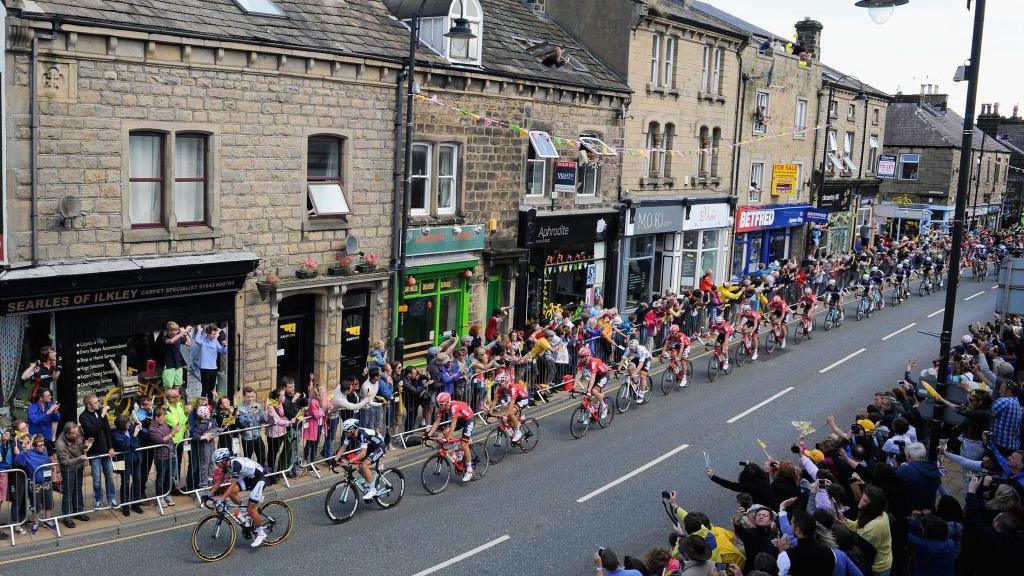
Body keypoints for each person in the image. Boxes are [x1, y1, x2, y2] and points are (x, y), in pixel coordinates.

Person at [210, 448, 268, 547]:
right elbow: (219, 481)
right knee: (231, 492)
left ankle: (261, 534)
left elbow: (233, 484)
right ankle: (243, 511)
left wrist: (222, 499)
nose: (216, 465)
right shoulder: (226, 466)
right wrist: (209, 494)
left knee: (251, 509)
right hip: (248, 478)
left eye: (217, 462)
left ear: (224, 460)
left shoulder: (236, 465)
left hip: (258, 478)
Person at [839, 485, 892, 576]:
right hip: (882, 559)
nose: (860, 501)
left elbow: (861, 547)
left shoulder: (874, 527)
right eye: (862, 498)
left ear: (872, 506)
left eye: (865, 501)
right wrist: (846, 521)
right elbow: (858, 525)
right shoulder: (878, 513)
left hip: (878, 568)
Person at [425, 392, 476, 482]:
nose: (439, 406)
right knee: (445, 431)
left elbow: (453, 422)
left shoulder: (454, 407)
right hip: (460, 419)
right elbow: (437, 422)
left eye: (441, 404)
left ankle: (469, 470)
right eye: (438, 404)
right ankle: (457, 451)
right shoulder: (442, 408)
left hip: (469, 419)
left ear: (447, 402)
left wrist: (450, 436)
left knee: (464, 445)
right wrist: (428, 435)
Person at [79, 393, 117, 509]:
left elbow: (107, 431)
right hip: (94, 452)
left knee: (109, 476)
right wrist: (102, 415)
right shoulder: (83, 417)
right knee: (96, 480)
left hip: (106, 450)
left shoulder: (100, 412)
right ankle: (98, 500)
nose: (98, 404)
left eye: (97, 402)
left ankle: (112, 498)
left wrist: (111, 447)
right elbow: (92, 431)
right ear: (89, 405)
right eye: (95, 403)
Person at [335, 418, 388, 499]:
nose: (345, 433)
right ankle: (372, 482)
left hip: (380, 446)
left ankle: (372, 490)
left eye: (346, 431)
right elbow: (343, 448)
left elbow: (362, 454)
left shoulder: (363, 434)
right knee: (360, 468)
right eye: (345, 431)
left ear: (353, 430)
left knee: (364, 465)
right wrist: (334, 460)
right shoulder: (350, 435)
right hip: (371, 446)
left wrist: (349, 461)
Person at [16, 434, 57, 533]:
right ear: (34, 446)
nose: (42, 447)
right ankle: (35, 522)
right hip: (35, 483)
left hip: (47, 481)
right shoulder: (28, 453)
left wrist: (53, 470)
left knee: (49, 503)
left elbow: (52, 460)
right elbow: (17, 461)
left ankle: (47, 521)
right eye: (40, 445)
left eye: (43, 444)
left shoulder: (45, 451)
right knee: (36, 505)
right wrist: (24, 451)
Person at [775, 512, 836, 576]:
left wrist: (781, 550)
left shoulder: (786, 556)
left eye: (791, 524)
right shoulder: (831, 552)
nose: (790, 526)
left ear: (797, 530)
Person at [54, 423, 89, 529]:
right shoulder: (60, 444)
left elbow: (81, 445)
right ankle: (67, 517)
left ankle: (78, 511)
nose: (77, 435)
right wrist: (79, 459)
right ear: (67, 434)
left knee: (78, 489)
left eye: (77, 432)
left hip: (78, 466)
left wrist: (86, 445)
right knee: (68, 493)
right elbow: (65, 462)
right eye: (74, 434)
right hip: (68, 469)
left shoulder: (77, 433)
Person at [111, 415, 144, 517]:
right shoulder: (116, 435)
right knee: (125, 483)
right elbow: (128, 447)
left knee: (137, 480)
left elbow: (139, 440)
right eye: (127, 423)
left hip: (135, 459)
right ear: (122, 425)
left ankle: (136, 504)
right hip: (123, 461)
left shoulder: (131, 428)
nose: (130, 424)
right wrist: (134, 435)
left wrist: (140, 426)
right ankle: (125, 506)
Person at [148, 408, 177, 507]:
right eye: (162, 417)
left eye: (164, 417)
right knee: (161, 477)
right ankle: (160, 497)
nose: (164, 419)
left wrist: (173, 431)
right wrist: (172, 433)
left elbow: (168, 436)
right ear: (156, 418)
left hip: (170, 453)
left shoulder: (164, 424)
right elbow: (162, 440)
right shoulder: (152, 429)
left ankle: (167, 494)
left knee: (169, 476)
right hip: (161, 456)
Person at [487, 375, 530, 442]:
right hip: (516, 398)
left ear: (506, 382)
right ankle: (517, 421)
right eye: (499, 385)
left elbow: (512, 403)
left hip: (523, 398)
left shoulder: (513, 388)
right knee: (504, 410)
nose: (500, 386)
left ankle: (518, 432)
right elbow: (495, 400)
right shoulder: (501, 388)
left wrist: (506, 415)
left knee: (510, 413)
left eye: (501, 385)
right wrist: (490, 412)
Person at [194, 324, 227, 403]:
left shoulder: (215, 341)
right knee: (205, 389)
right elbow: (196, 340)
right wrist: (199, 331)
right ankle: (201, 406)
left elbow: (222, 351)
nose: (214, 336)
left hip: (214, 369)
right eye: (213, 334)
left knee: (212, 390)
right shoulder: (203, 341)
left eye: (215, 334)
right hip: (205, 368)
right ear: (208, 334)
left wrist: (225, 346)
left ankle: (210, 405)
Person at [575, 346, 611, 419]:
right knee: (586, 397)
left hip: (604, 375)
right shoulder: (581, 362)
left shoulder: (593, 362)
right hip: (597, 375)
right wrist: (574, 386)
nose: (580, 358)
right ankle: (593, 412)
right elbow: (578, 374)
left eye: (582, 357)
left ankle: (604, 407)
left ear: (587, 356)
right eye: (579, 356)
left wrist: (589, 390)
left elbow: (593, 378)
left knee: (594, 391)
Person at [990, 381, 1022, 454]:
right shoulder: (1017, 404)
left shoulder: (1004, 401)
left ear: (1009, 392)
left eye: (1001, 389)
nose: (999, 392)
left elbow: (987, 415)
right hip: (1012, 447)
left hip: (998, 446)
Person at [161, 321, 192, 390]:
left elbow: (189, 344)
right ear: (170, 331)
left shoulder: (179, 337)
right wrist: (182, 332)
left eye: (178, 330)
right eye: (176, 330)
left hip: (178, 366)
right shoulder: (165, 338)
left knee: (177, 388)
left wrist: (186, 334)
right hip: (169, 366)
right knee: (168, 389)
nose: (178, 331)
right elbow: (171, 341)